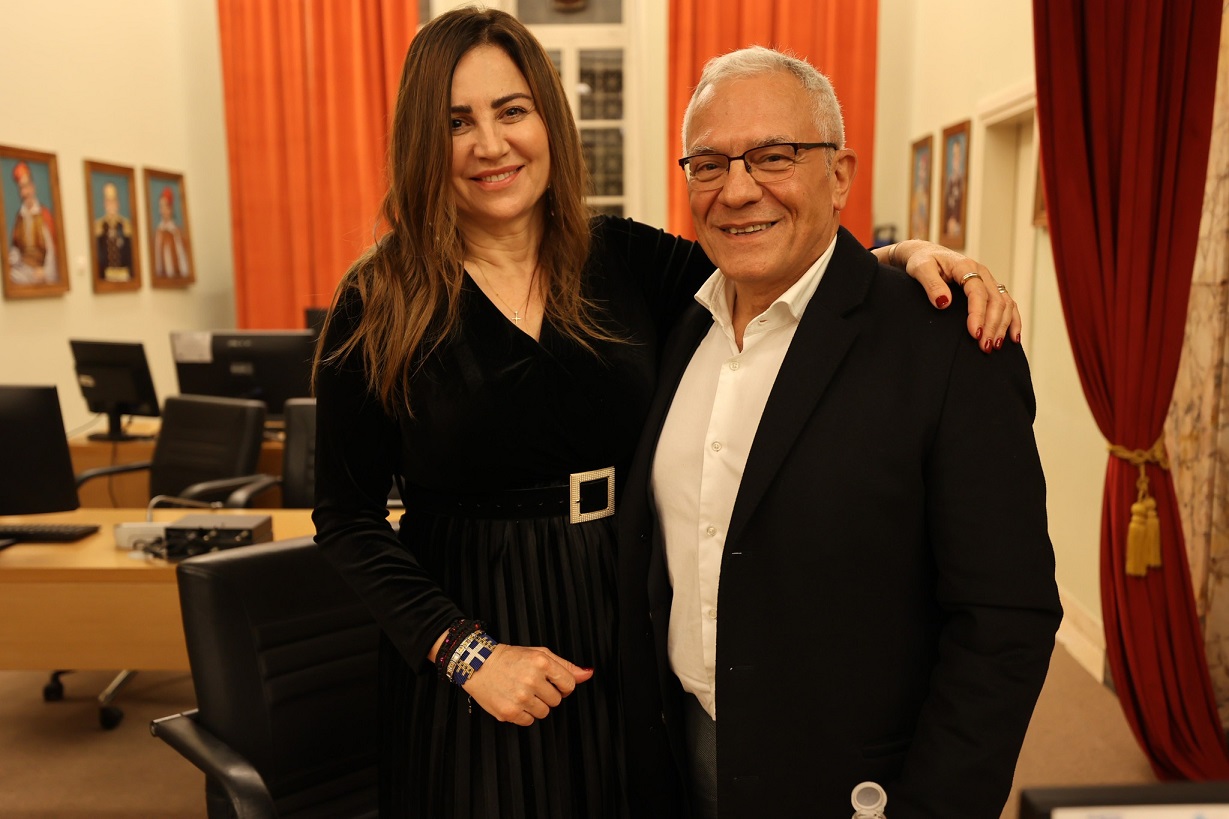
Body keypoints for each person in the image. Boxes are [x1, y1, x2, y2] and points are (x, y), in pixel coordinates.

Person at [312, 9, 1018, 818]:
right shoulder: (378, 298)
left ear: (548, 120)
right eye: (455, 122)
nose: (490, 143)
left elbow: (776, 265)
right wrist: (466, 653)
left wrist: (900, 258)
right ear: (420, 141)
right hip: (476, 643)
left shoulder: (625, 258)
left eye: (511, 110)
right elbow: (347, 517)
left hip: (632, 628)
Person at [616, 46, 1062, 818]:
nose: (737, 189)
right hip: (684, 756)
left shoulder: (949, 347)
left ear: (840, 174)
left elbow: (1003, 620)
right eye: (709, 164)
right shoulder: (676, 328)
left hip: (857, 789)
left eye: (774, 156)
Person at [7, 161, 58, 286]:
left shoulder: (44, 215)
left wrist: (45, 271)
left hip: (41, 270)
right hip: (23, 270)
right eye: (21, 188)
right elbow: (16, 249)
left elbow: (52, 250)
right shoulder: (20, 217)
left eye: (26, 186)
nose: (25, 192)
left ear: (32, 187)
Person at [94, 182, 134, 282]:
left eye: (113, 201)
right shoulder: (99, 226)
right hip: (106, 276)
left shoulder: (125, 225)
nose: (111, 204)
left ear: (117, 203)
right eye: (108, 201)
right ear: (105, 204)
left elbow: (129, 254)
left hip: (124, 275)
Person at [153, 187, 191, 278]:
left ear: (171, 209)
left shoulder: (177, 232)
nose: (163, 211)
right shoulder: (158, 233)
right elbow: (157, 259)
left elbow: (182, 257)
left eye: (165, 206)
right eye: (161, 207)